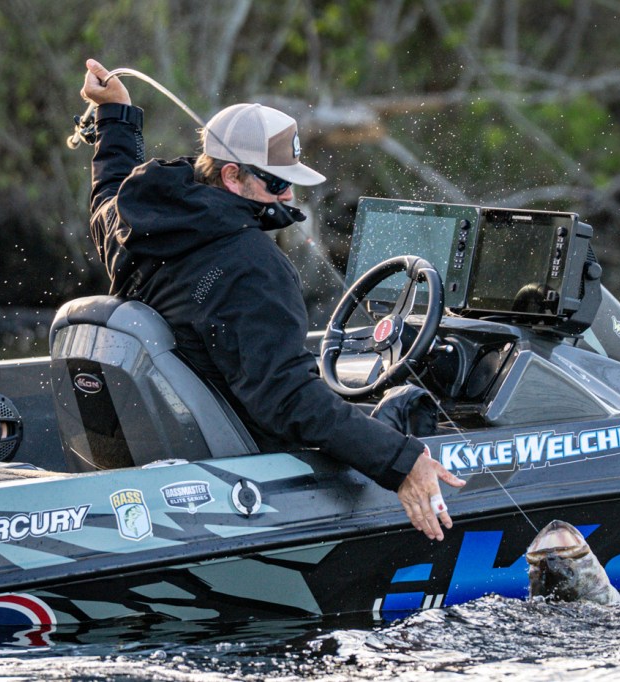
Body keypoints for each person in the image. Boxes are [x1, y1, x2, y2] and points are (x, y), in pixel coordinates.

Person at [79, 59, 464, 540]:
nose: (287, 197)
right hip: (260, 473)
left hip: (188, 453)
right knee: (408, 404)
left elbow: (107, 199)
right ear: (232, 176)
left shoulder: (141, 224)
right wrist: (402, 462)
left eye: (291, 182)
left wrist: (115, 117)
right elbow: (287, 397)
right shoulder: (251, 264)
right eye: (277, 183)